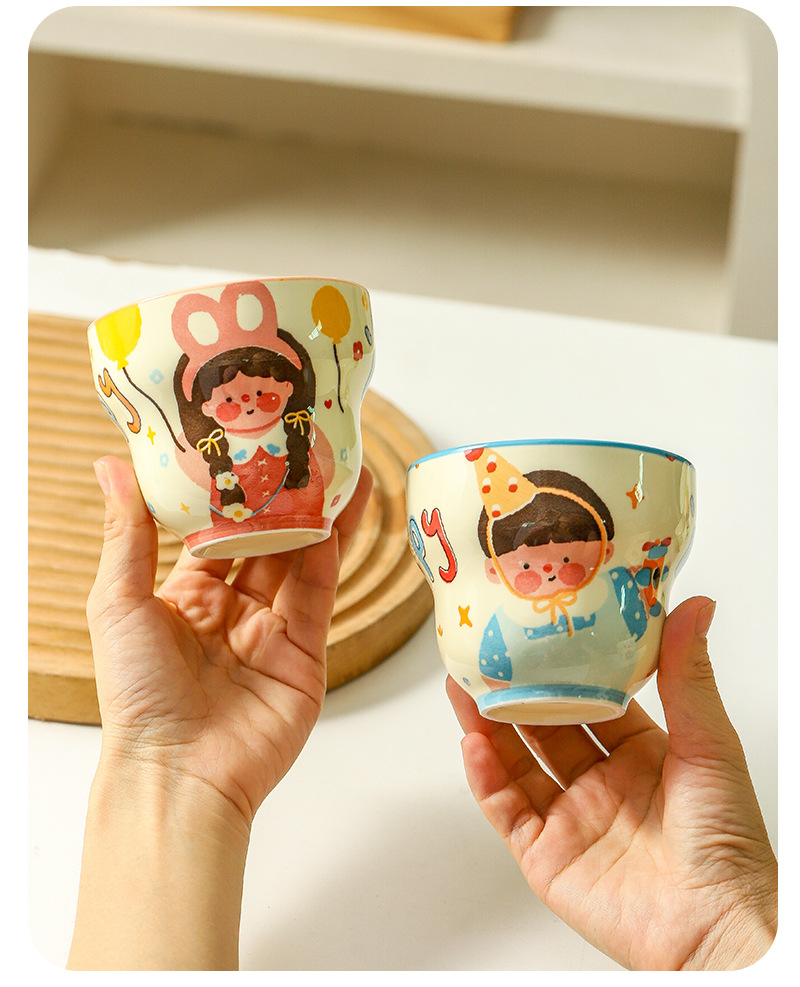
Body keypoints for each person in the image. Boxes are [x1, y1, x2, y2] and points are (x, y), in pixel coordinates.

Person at [68, 456, 777, 971]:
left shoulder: (616, 589)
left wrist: (716, 932)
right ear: (496, 570)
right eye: (531, 564)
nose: (551, 573)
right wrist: (175, 769)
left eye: (570, 558)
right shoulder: (494, 628)